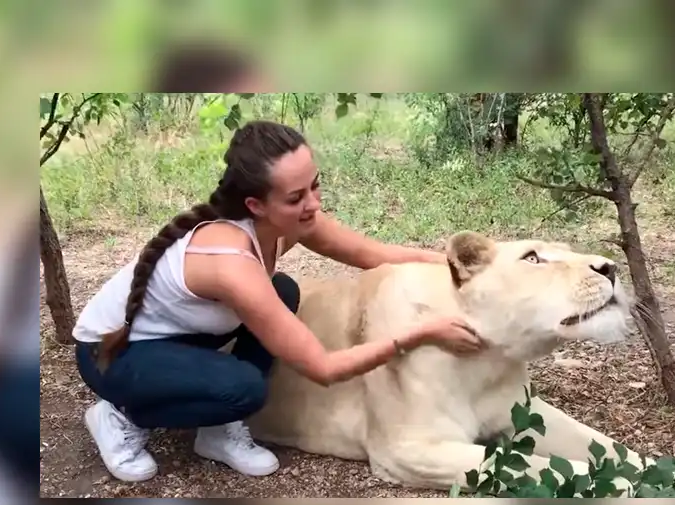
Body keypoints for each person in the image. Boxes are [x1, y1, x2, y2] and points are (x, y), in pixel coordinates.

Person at [73, 120, 486, 483]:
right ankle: (120, 414)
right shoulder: (231, 262)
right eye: (295, 197)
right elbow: (323, 368)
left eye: (315, 185)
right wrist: (421, 333)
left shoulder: (285, 222)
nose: (313, 204)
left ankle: (216, 429)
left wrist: (473, 265)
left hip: (176, 336)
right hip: (108, 352)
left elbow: (374, 254)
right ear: (255, 204)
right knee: (244, 390)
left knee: (283, 290)